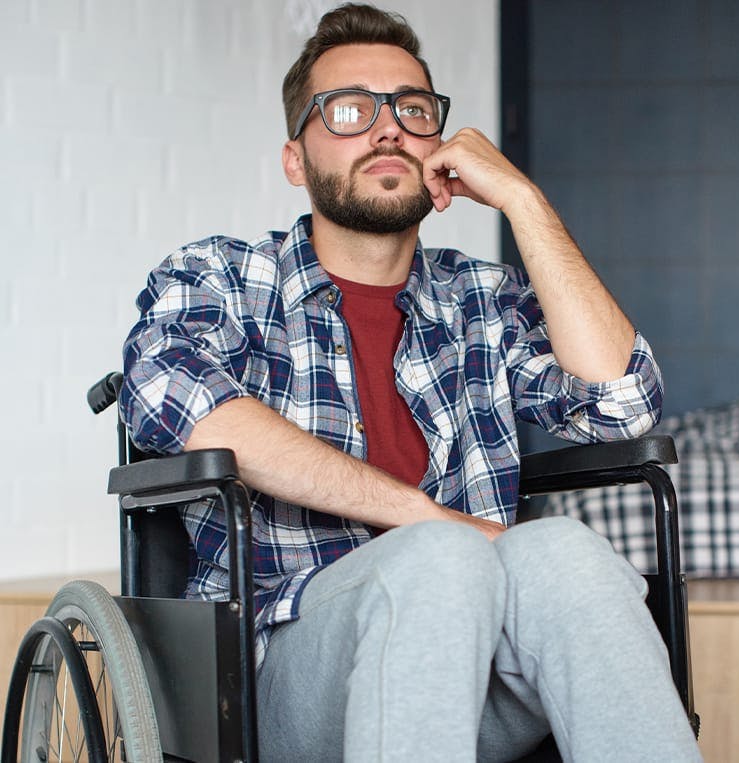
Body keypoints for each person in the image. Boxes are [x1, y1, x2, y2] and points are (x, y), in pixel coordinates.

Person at [120, 3, 702, 760]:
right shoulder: (223, 278)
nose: (387, 127)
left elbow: (623, 405)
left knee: (567, 552)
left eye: (412, 109)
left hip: (477, 670)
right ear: (296, 158)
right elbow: (181, 401)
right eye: (349, 109)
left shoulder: (481, 299)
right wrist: (426, 518)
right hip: (284, 674)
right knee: (442, 557)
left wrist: (523, 200)